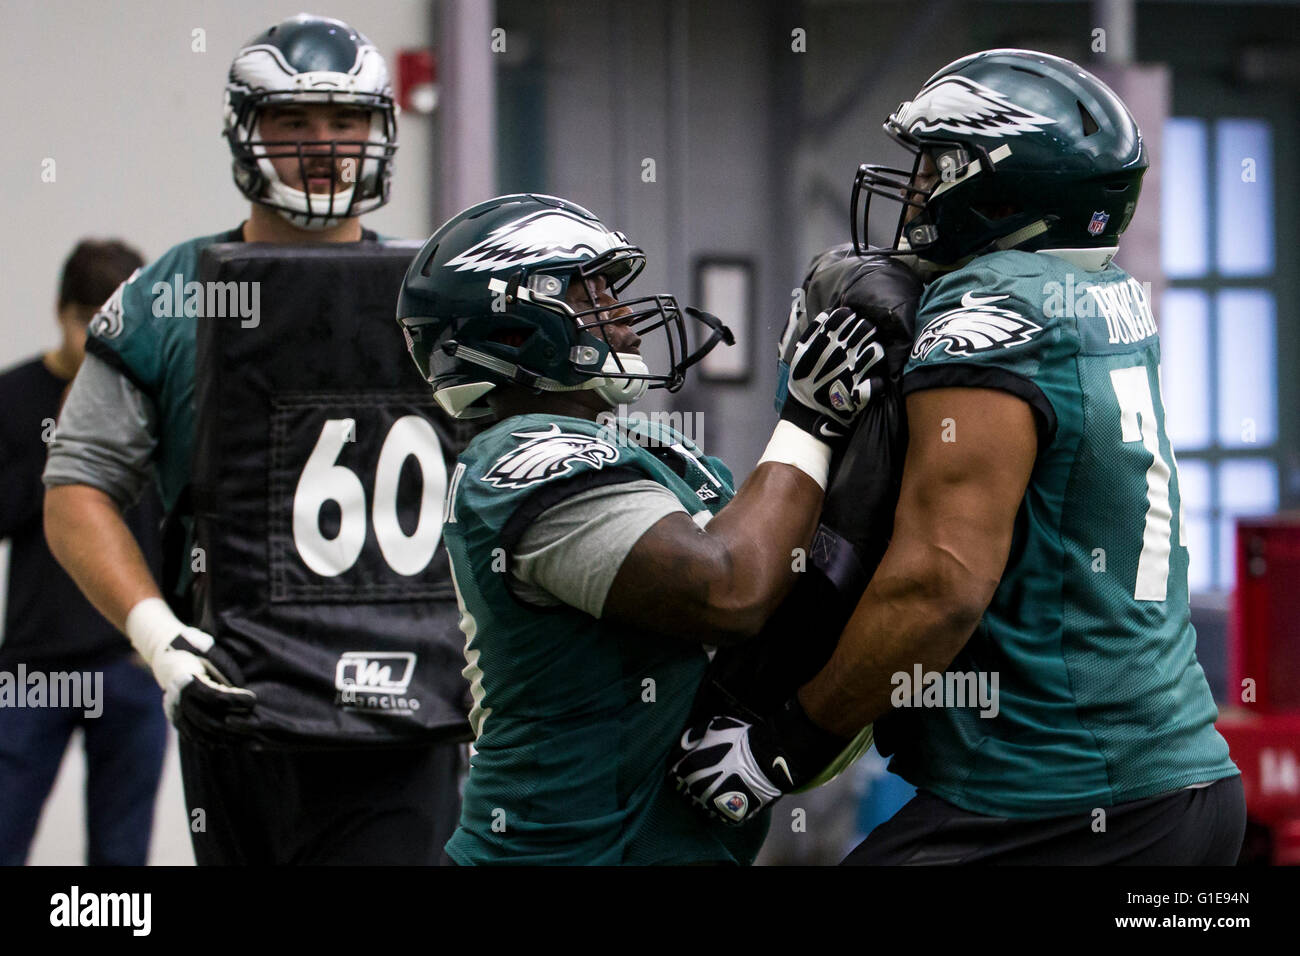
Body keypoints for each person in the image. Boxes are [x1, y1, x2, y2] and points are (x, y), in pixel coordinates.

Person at [671, 49, 1245, 865]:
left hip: (1062, 801)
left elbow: (937, 585)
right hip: (1171, 785)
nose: (913, 189)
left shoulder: (990, 307)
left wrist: (783, 744)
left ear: (1004, 186)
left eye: (936, 166)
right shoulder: (1099, 296)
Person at [43, 14, 462, 865]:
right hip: (236, 701)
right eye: (294, 120)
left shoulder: (443, 297)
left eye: (346, 122)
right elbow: (75, 487)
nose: (324, 146)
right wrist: (159, 636)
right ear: (247, 129)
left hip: (407, 711)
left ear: (379, 132)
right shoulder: (175, 294)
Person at [396, 192, 885, 864]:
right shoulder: (522, 459)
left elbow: (784, 573)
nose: (622, 313)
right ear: (513, 325)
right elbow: (733, 591)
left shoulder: (653, 447)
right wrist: (805, 421)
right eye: (590, 292)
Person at [0, 238, 165, 866]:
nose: (99, 344)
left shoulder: (156, 395)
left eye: (114, 327)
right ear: (60, 312)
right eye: (86, 326)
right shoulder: (13, 397)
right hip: (33, 665)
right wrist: (67, 445)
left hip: (131, 659)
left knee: (121, 860)